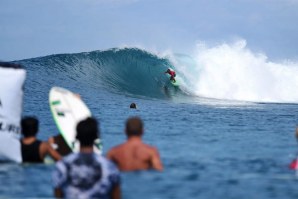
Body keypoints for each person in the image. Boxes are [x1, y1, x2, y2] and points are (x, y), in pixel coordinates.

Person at [53, 117, 121, 199]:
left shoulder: (62, 165)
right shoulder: (110, 167)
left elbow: (58, 194)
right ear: (97, 137)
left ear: (76, 137)